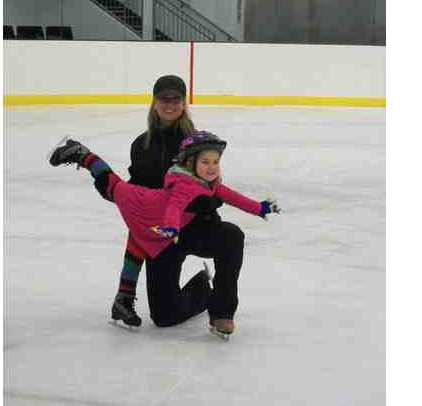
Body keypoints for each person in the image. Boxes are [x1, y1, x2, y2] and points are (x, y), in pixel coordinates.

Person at [49, 129, 280, 336]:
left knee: (113, 185)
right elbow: (175, 207)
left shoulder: (208, 182)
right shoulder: (184, 184)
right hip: (146, 208)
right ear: (191, 163)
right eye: (205, 162)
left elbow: (234, 197)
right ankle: (82, 153)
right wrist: (171, 227)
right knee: (111, 185)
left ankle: (218, 310)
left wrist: (260, 208)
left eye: (216, 162)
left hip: (163, 223)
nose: (212, 167)